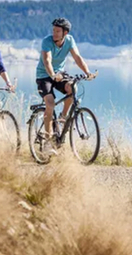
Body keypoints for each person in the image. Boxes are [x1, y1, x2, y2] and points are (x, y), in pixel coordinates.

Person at [35, 17, 95, 154]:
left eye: (58, 31)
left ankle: (62, 117)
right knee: (50, 104)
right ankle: (47, 142)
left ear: (65, 33)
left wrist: (87, 72)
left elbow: (77, 57)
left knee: (72, 88)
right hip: (44, 76)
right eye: (53, 30)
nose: (54, 33)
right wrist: (52, 75)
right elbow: (47, 60)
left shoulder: (69, 40)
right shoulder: (47, 41)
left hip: (59, 74)